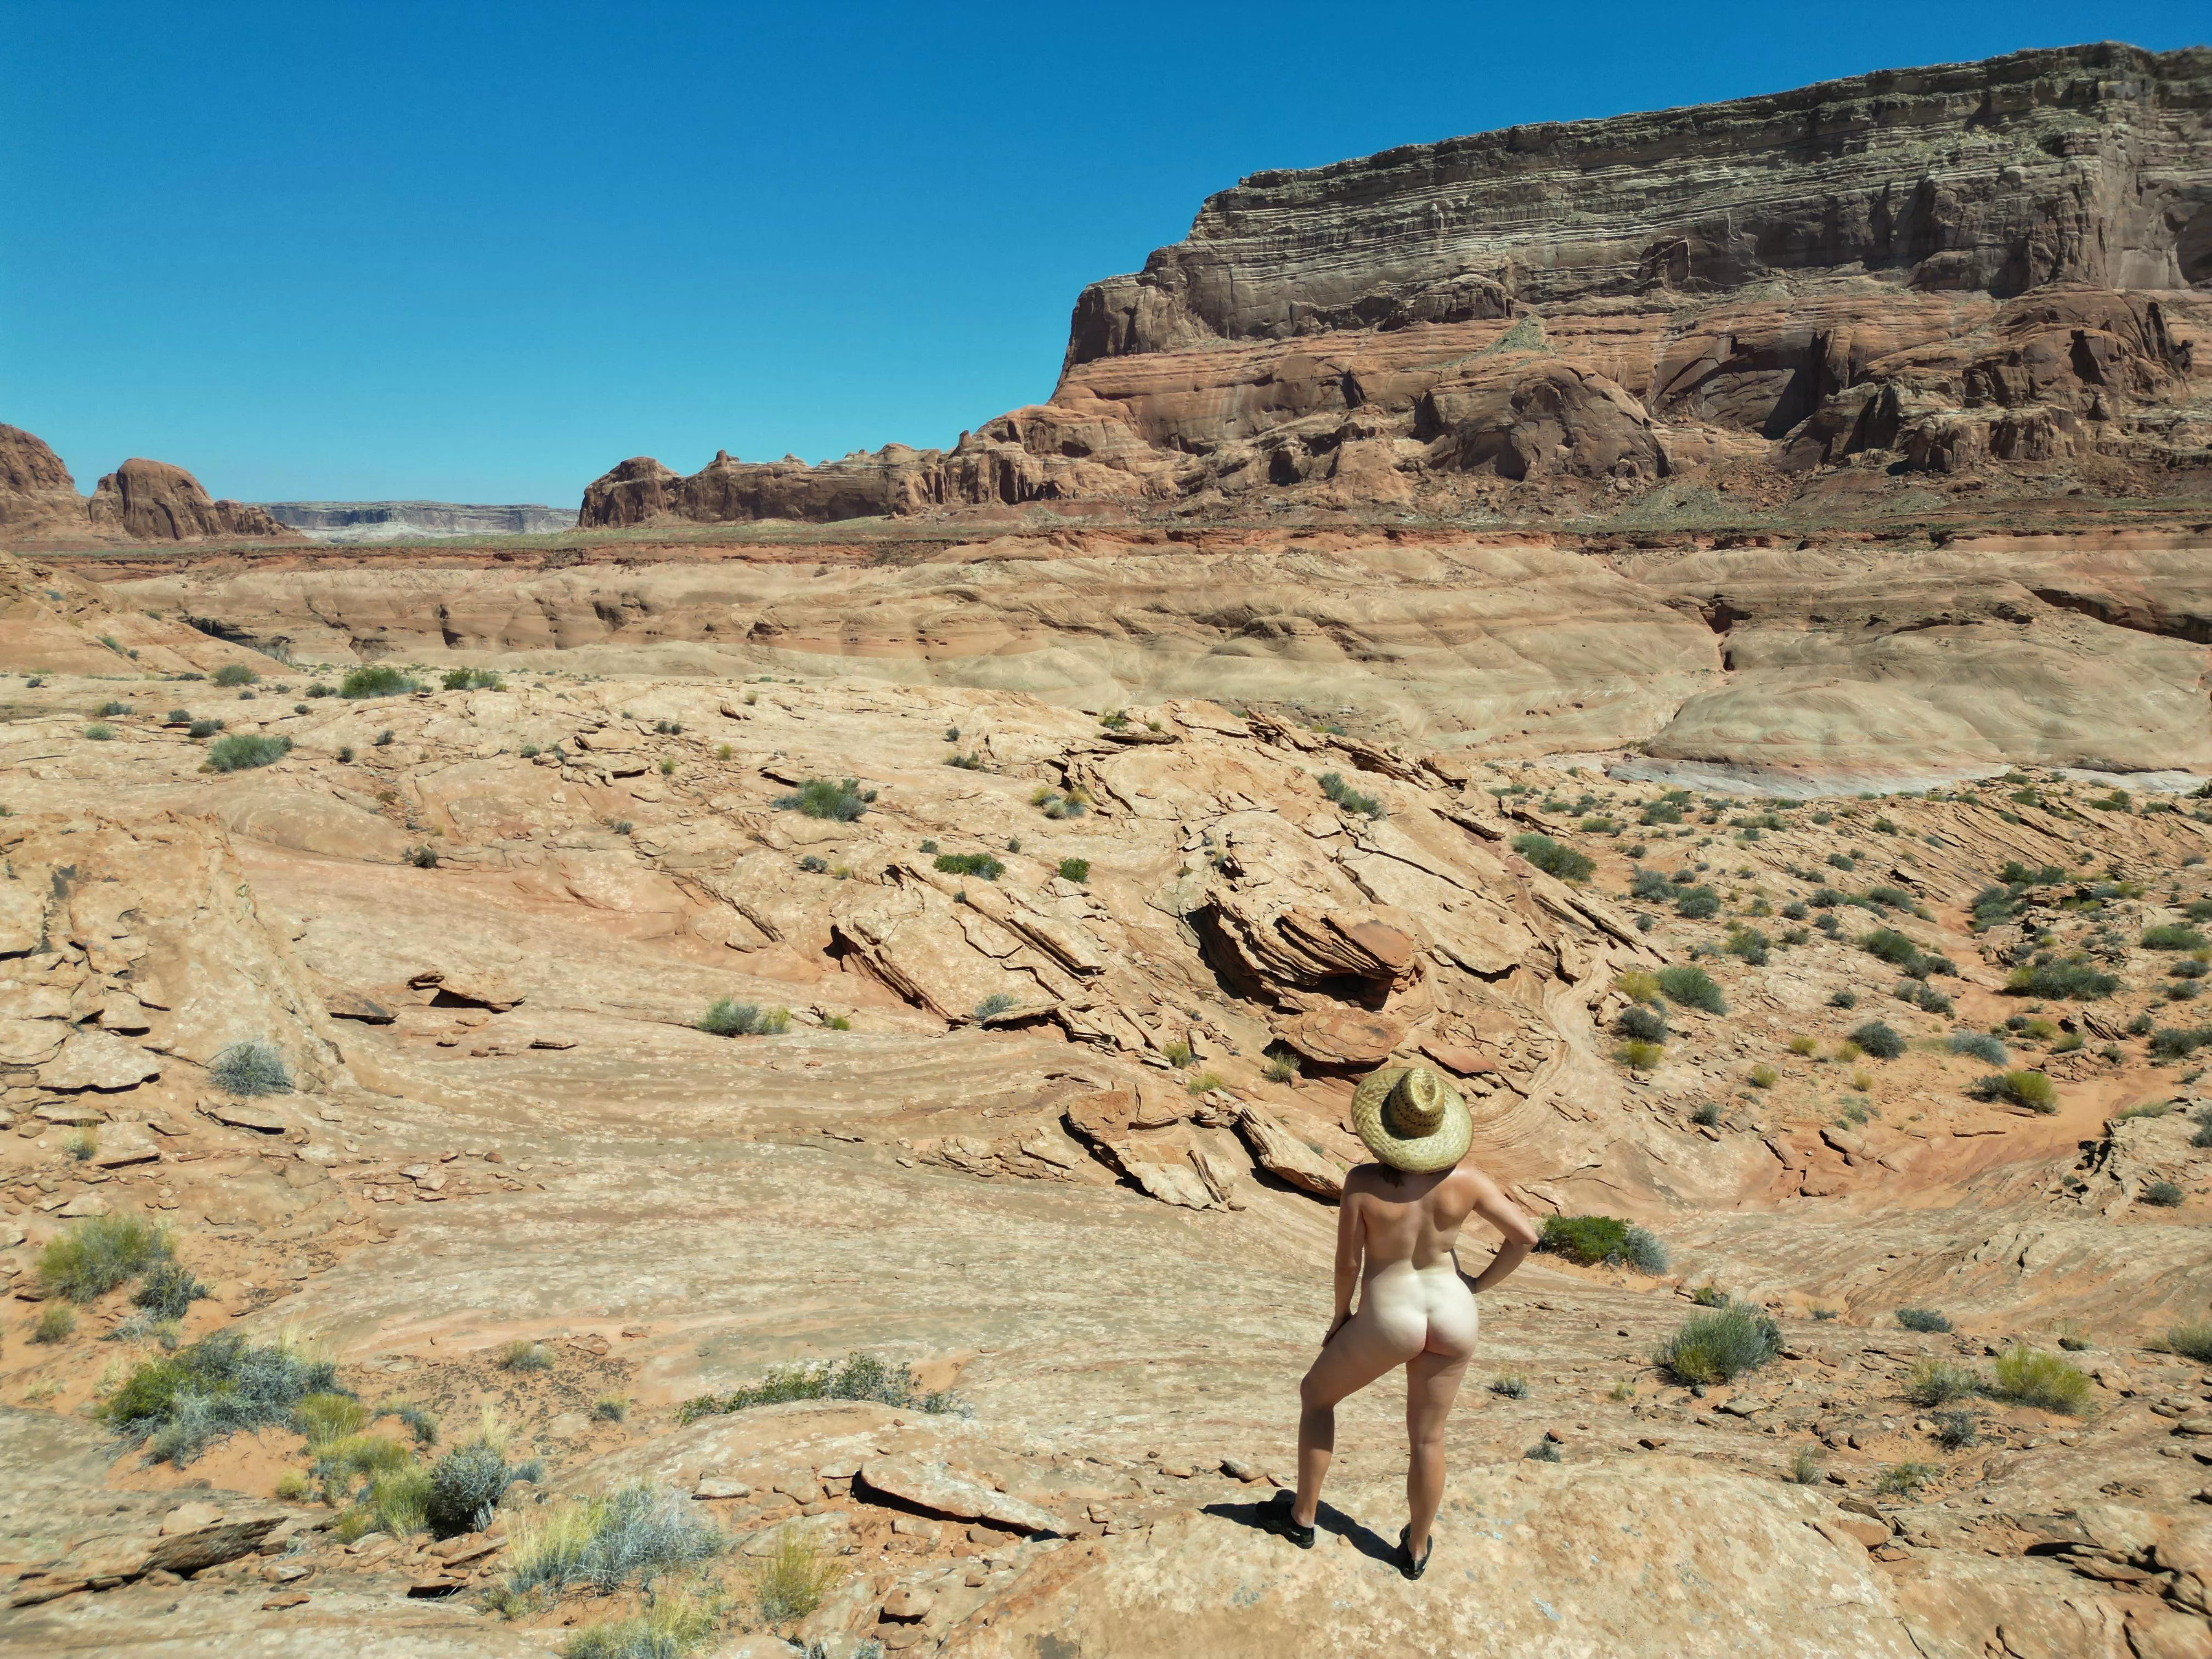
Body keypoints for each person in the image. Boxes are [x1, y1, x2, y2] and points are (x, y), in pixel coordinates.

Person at [1263, 1062, 1540, 1579]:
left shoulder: (1363, 1182)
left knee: (1316, 1396)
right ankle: (1415, 1549)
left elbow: (1349, 1263)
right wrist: (1477, 1285)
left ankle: (1302, 1517)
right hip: (1453, 1311)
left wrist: (1341, 1315)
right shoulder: (1470, 1181)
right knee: (1428, 1439)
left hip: (1392, 1315)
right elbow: (1525, 1237)